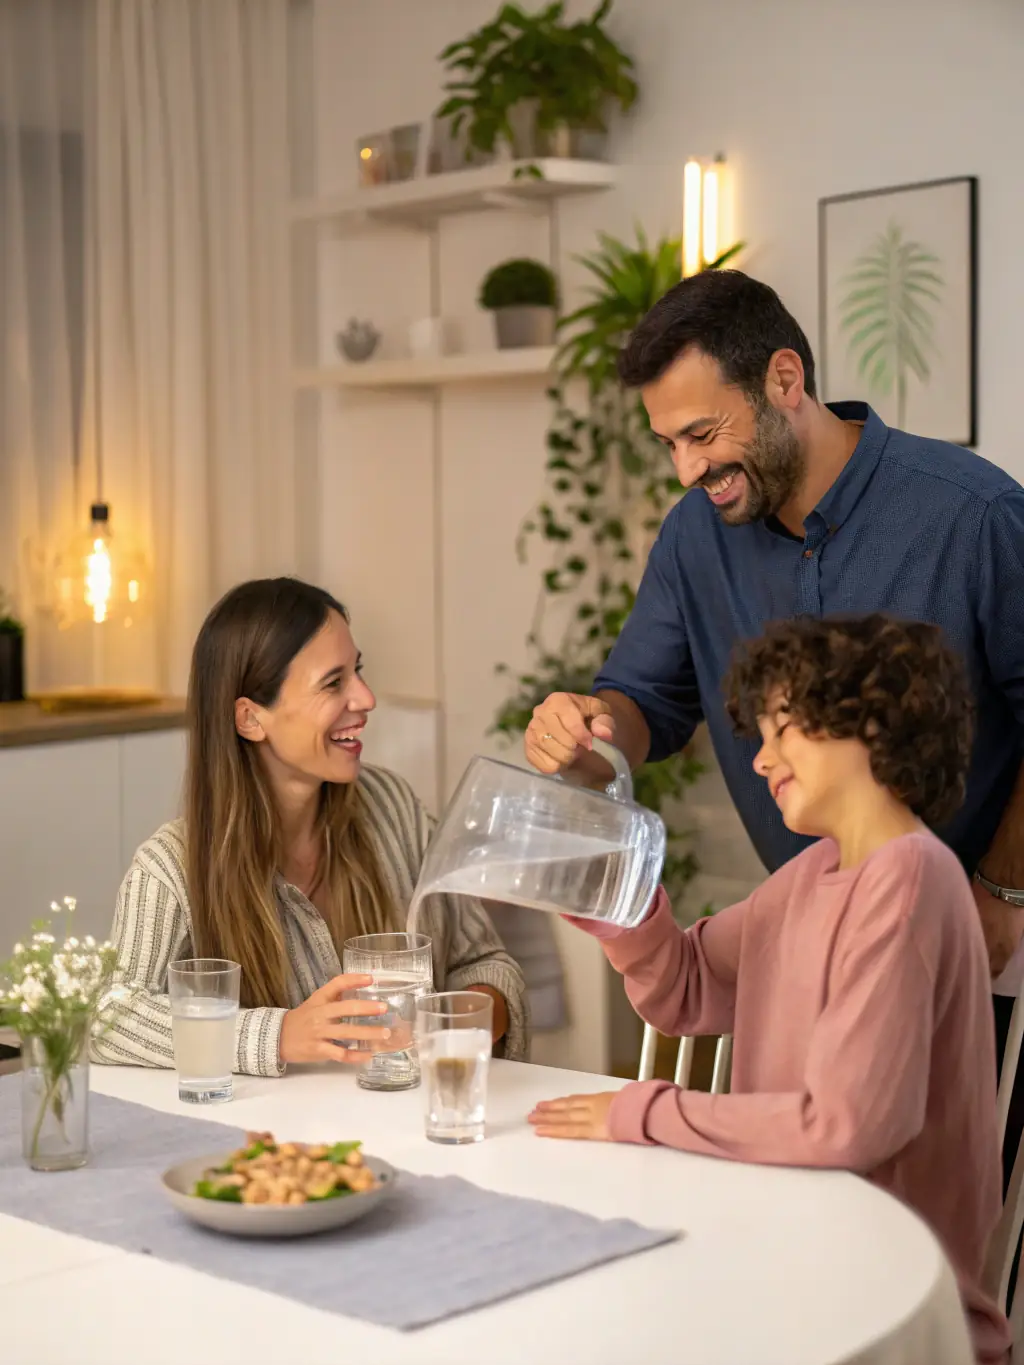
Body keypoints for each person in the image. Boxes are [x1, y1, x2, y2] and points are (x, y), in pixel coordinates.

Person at [525, 268, 1024, 1166]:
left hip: (973, 942)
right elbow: (645, 703)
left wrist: (1000, 894)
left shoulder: (973, 515)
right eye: (669, 443)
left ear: (784, 380)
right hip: (799, 937)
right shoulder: (693, 535)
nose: (687, 468)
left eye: (703, 434)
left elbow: (846, 1133)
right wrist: (586, 728)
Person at [529, 614, 1010, 1364]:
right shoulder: (813, 875)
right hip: (791, 1253)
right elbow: (687, 989)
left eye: (783, 729)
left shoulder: (910, 878)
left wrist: (643, 1109)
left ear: (870, 723)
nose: (761, 760)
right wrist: (621, 903)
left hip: (887, 1306)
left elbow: (845, 1127)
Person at [93, 577, 529, 1074]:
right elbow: (108, 1019)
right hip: (267, 1147)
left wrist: (453, 1024)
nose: (365, 698)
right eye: (333, 682)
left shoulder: (394, 809)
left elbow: (486, 963)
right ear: (251, 719)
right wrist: (277, 1035)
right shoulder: (171, 866)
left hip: (404, 1126)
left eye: (357, 671)